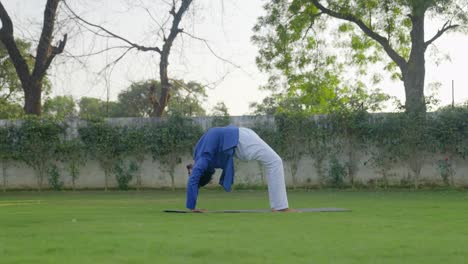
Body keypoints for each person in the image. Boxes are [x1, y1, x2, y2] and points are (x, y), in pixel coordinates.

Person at [186, 125, 294, 212]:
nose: (190, 170)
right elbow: (193, 180)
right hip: (241, 140)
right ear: (201, 173)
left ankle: (279, 206)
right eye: (191, 172)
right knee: (275, 161)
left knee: (274, 161)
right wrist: (192, 207)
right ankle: (280, 207)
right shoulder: (203, 159)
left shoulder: (198, 154)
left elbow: (195, 176)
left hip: (241, 135)